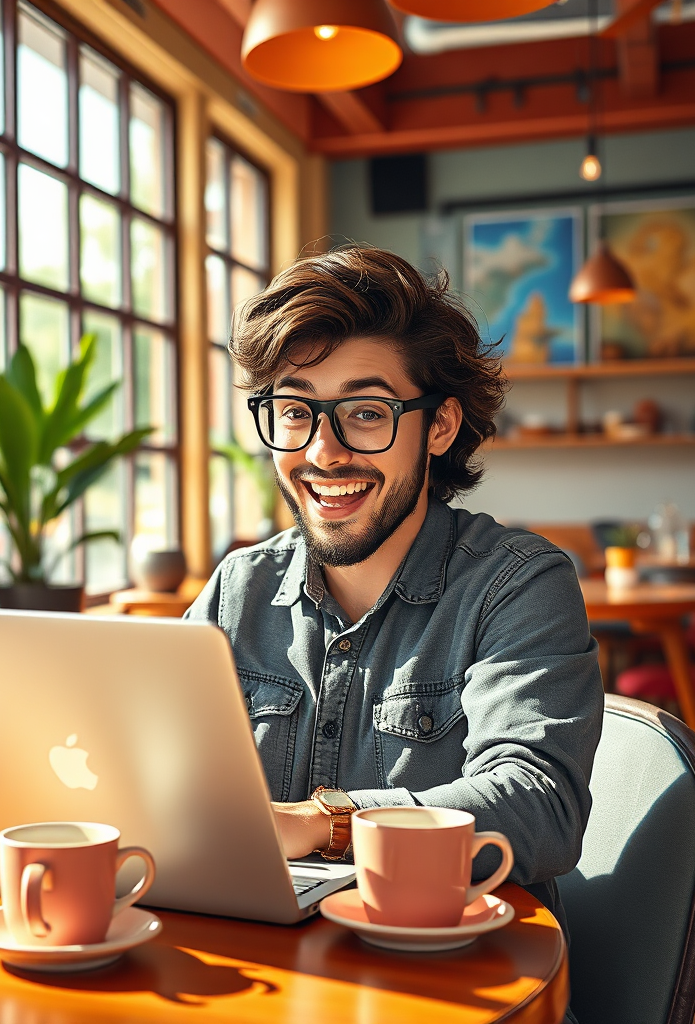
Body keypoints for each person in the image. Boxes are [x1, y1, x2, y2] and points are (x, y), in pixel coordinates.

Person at [185, 246, 604, 942]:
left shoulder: (518, 583)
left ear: (438, 426)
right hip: (269, 971)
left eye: (367, 412)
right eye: (295, 410)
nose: (322, 451)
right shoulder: (238, 589)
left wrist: (325, 823)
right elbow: (153, 769)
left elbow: (539, 803)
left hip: (461, 982)